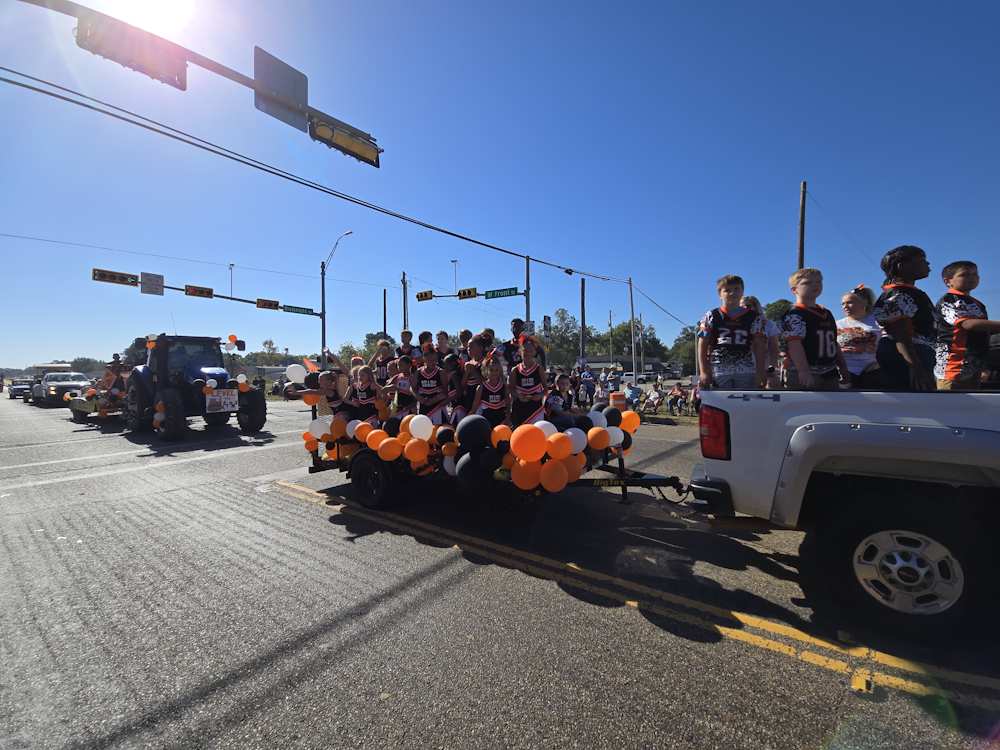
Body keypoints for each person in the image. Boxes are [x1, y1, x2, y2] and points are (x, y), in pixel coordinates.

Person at [872, 245, 936, 391]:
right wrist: (915, 366)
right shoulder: (899, 294)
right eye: (921, 260)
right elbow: (900, 334)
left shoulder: (911, 292)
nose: (927, 264)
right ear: (901, 266)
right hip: (906, 355)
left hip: (916, 353)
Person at [934, 260, 1000, 390]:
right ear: (948, 281)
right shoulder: (949, 300)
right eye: (964, 275)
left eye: (975, 274)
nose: (972, 278)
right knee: (950, 406)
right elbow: (968, 324)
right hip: (953, 366)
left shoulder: (977, 304)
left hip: (974, 365)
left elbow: (984, 332)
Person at [781, 268, 849, 390]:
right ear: (794, 290)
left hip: (830, 371)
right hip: (806, 372)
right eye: (807, 283)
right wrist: (803, 371)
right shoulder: (794, 314)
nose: (815, 285)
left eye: (818, 281)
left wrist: (843, 367)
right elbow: (794, 344)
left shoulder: (827, 313)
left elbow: (834, 342)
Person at [697, 274, 767, 389]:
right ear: (720, 294)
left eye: (736, 289)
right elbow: (702, 344)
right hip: (719, 369)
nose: (732, 293)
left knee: (745, 404)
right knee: (721, 405)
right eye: (727, 290)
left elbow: (760, 345)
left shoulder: (753, 317)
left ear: (742, 291)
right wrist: (703, 371)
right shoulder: (711, 315)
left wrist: (760, 371)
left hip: (745, 368)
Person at [837, 285, 882, 388]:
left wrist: (868, 347)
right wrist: (841, 350)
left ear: (864, 302)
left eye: (849, 302)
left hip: (872, 372)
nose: (845, 306)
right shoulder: (837, 324)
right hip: (845, 372)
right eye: (843, 304)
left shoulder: (878, 321)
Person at [741, 295, 780, 388]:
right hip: (742, 370)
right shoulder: (736, 324)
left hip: (763, 367)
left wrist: (771, 370)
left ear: (756, 307)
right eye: (742, 306)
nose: (746, 308)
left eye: (749, 305)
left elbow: (774, 349)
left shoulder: (768, 324)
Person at [508, 336, 545, 425]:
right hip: (519, 407)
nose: (528, 353)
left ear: (535, 352)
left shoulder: (539, 369)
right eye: (525, 351)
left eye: (531, 351)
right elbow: (510, 389)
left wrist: (540, 395)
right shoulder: (515, 370)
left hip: (535, 408)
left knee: (536, 432)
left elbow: (546, 389)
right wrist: (518, 395)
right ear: (520, 352)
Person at [414, 345, 449, 424]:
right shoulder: (418, 372)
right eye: (429, 359)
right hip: (423, 406)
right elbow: (412, 388)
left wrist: (433, 400)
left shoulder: (441, 372)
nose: (432, 362)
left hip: (438, 407)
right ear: (424, 358)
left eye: (434, 360)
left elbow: (446, 392)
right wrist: (419, 398)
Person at [472, 357, 509, 427]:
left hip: (501, 421)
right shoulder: (481, 388)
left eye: (496, 370)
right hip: (486, 422)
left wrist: (508, 419)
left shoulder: (504, 386)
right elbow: (474, 408)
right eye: (491, 370)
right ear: (486, 370)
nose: (494, 373)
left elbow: (508, 404)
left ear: (500, 370)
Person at [442, 353, 464, 424]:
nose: (444, 366)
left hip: (458, 406)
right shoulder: (453, 374)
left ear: (453, 364)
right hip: (455, 405)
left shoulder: (454, 375)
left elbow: (459, 392)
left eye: (446, 364)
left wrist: (447, 400)